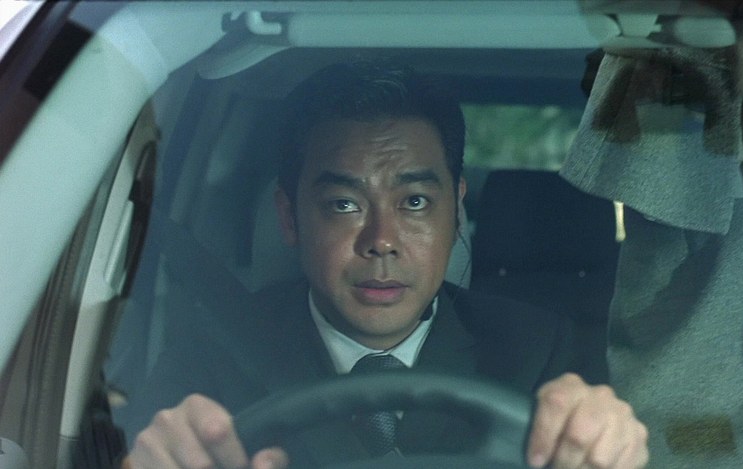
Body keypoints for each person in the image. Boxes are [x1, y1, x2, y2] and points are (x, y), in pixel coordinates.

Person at [122, 61, 648, 469]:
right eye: (343, 204)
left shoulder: (539, 348)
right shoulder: (213, 353)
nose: (381, 242)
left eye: (415, 202)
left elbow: (596, 439)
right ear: (289, 217)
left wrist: (609, 443)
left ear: (455, 211)